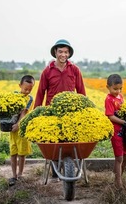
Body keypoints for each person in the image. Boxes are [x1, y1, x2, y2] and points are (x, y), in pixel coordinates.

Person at [34, 39, 86, 178]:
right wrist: (36, 113)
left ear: (69, 54)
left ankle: (69, 166)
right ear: (55, 53)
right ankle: (55, 171)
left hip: (71, 113)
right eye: (60, 52)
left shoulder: (74, 70)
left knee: (70, 140)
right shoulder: (47, 71)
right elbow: (40, 93)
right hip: (52, 113)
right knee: (54, 142)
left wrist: (85, 111)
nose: (63, 54)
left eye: (66, 52)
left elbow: (81, 91)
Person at [104, 74, 126, 189]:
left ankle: (117, 177)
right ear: (108, 87)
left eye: (120, 89)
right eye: (115, 89)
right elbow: (111, 116)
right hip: (116, 132)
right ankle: (118, 184)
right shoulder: (109, 99)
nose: (118, 91)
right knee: (119, 158)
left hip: (125, 132)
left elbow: (124, 111)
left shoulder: (120, 97)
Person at [9, 75, 35, 186]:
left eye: (30, 89)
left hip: (23, 130)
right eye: (25, 89)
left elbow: (24, 113)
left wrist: (18, 125)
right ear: (20, 86)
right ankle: (13, 175)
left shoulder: (30, 99)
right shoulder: (14, 96)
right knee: (13, 153)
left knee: (22, 154)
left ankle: (20, 174)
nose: (27, 91)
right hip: (12, 130)